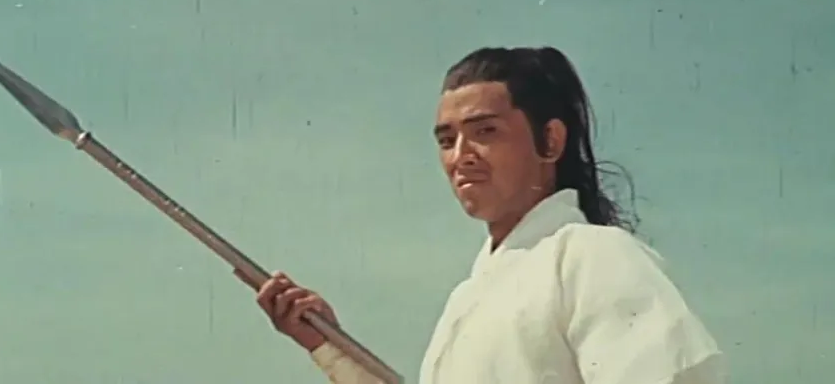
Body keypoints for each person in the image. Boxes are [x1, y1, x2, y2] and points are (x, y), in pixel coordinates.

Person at [237, 47, 725, 384]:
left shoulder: (591, 255)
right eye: (447, 140)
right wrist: (327, 344)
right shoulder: (469, 297)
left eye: (485, 131)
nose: (461, 156)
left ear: (550, 140)